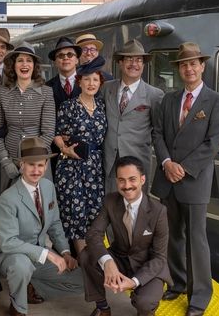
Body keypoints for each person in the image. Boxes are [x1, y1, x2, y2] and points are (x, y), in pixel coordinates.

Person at [152, 42, 219, 316]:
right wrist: (166, 163)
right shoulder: (169, 99)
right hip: (167, 178)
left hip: (195, 180)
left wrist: (182, 168)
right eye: (184, 64)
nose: (189, 68)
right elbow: (158, 134)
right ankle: (178, 283)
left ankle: (199, 299)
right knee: (172, 235)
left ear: (202, 66)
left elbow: (213, 143)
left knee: (196, 240)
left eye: (194, 63)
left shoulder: (217, 101)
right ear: (179, 69)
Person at [0, 137, 83, 316]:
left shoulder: (48, 187)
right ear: (21, 165)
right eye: (31, 165)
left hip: (40, 257)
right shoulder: (8, 198)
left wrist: (65, 253)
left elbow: (55, 224)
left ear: (46, 165)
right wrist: (49, 254)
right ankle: (18, 307)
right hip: (13, 256)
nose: (36, 170)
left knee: (82, 281)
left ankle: (34, 287)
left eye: (41, 165)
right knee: (22, 266)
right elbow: (8, 242)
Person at [80, 156, 171, 316]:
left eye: (132, 179)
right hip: (120, 258)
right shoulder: (110, 201)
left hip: (147, 264)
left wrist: (134, 282)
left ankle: (146, 309)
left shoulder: (159, 211)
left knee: (145, 302)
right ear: (116, 181)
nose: (127, 186)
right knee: (87, 255)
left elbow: (159, 258)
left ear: (142, 180)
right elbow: (93, 234)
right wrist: (107, 262)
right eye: (121, 180)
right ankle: (103, 308)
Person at [53, 57, 107, 254]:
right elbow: (57, 134)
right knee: (76, 216)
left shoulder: (102, 107)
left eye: (95, 79)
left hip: (95, 167)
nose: (91, 83)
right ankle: (85, 265)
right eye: (87, 79)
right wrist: (64, 149)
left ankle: (94, 261)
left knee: (95, 214)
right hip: (72, 167)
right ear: (80, 82)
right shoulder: (68, 107)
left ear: (100, 82)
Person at [0, 42, 56, 194]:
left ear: (34, 66)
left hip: (37, 165)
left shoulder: (46, 93)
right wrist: (5, 161)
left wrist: (32, 162)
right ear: (13, 65)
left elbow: (48, 133)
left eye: (29, 60)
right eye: (20, 60)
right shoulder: (2, 92)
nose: (24, 64)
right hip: (10, 163)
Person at [101, 39, 164, 194]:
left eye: (138, 60)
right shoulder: (106, 88)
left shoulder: (154, 95)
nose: (134, 64)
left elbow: (158, 132)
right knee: (110, 207)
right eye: (129, 59)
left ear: (143, 65)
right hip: (109, 162)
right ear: (120, 63)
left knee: (136, 210)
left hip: (137, 163)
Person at [45, 37, 82, 172]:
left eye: (70, 54)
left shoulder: (89, 84)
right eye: (60, 56)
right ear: (55, 62)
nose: (65, 58)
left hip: (82, 152)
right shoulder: (47, 87)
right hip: (56, 153)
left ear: (77, 59)